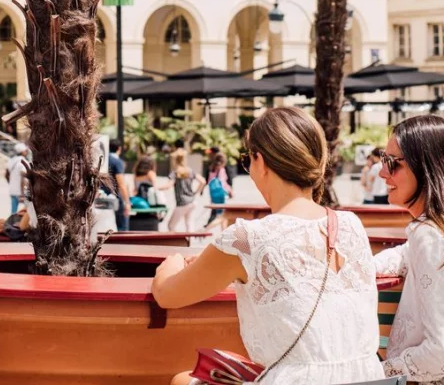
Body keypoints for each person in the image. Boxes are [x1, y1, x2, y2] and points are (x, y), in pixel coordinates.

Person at [153, 107, 383, 385]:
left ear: (259, 161)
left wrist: (171, 265)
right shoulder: (350, 225)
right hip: (367, 378)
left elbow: (168, 295)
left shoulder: (248, 238)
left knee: (182, 380)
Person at [372, 114, 444, 382]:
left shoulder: (429, 235)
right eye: (383, 159)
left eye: (393, 163)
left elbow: (441, 353)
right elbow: (405, 253)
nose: (382, 172)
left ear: (426, 166)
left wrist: (379, 374)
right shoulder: (429, 232)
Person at [168, 149, 205, 233]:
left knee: (171, 225)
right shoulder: (190, 170)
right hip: (192, 201)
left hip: (182, 202)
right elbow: (203, 181)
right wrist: (195, 193)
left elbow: (169, 185)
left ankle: (177, 243)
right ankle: (189, 244)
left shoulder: (175, 172)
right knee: (189, 224)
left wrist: (157, 188)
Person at [108, 139, 131, 231]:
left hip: (103, 196)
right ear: (119, 149)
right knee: (123, 226)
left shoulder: (105, 159)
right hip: (116, 197)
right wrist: (127, 202)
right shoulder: (117, 162)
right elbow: (121, 183)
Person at [206, 151, 233, 226]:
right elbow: (223, 183)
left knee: (218, 214)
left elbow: (209, 182)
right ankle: (207, 228)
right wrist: (230, 191)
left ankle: (222, 231)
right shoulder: (221, 169)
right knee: (223, 215)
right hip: (222, 195)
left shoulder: (211, 169)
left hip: (213, 195)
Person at [6, 141, 29, 216]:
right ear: (22, 151)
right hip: (20, 192)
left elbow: (6, 174)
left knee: (13, 212)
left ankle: (11, 225)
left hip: (12, 190)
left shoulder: (11, 161)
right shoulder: (23, 162)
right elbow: (23, 179)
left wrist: (11, 183)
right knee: (25, 212)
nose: (27, 152)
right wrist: (22, 193)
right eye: (26, 150)